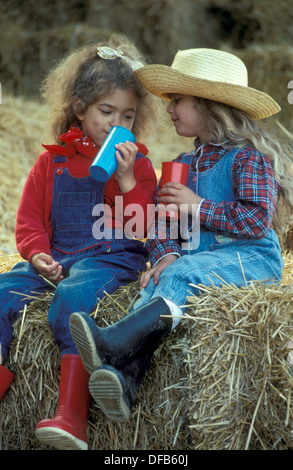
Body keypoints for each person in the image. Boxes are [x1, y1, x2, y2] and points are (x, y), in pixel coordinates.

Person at [69, 48, 293, 425]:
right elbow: (159, 223)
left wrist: (197, 206)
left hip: (248, 258)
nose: (168, 109)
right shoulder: (183, 164)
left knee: (180, 277)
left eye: (177, 101)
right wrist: (164, 255)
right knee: (153, 286)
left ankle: (113, 345)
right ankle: (125, 380)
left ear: (209, 105)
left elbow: (256, 222)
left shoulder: (248, 158)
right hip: (195, 260)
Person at [0, 35, 160, 450]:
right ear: (79, 108)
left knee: (72, 297)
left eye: (127, 114)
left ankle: (72, 416)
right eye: (106, 111)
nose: (115, 122)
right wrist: (36, 254)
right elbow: (29, 219)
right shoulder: (51, 159)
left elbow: (142, 224)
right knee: (2, 292)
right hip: (57, 258)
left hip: (108, 259)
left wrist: (125, 181)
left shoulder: (138, 163)